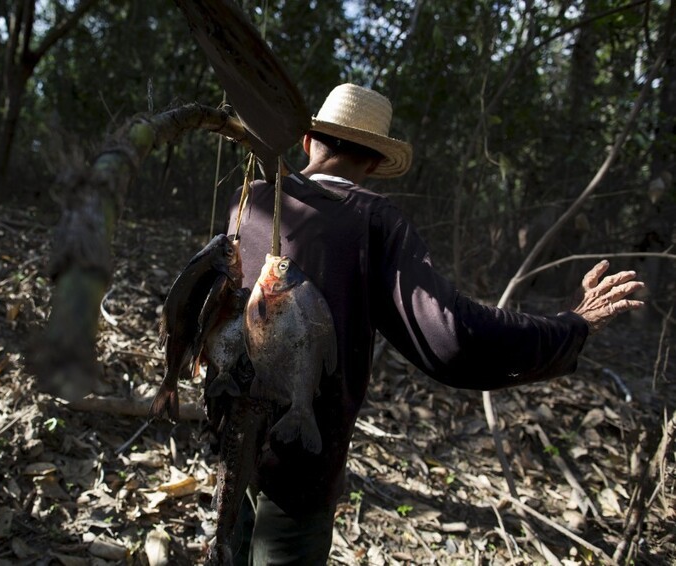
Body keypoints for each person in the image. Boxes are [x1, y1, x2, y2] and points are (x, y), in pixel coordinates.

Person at [223, 83, 645, 565]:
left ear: (307, 143)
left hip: (232, 439)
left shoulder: (249, 199)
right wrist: (572, 327)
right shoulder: (371, 218)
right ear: (378, 163)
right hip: (302, 464)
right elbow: (453, 339)